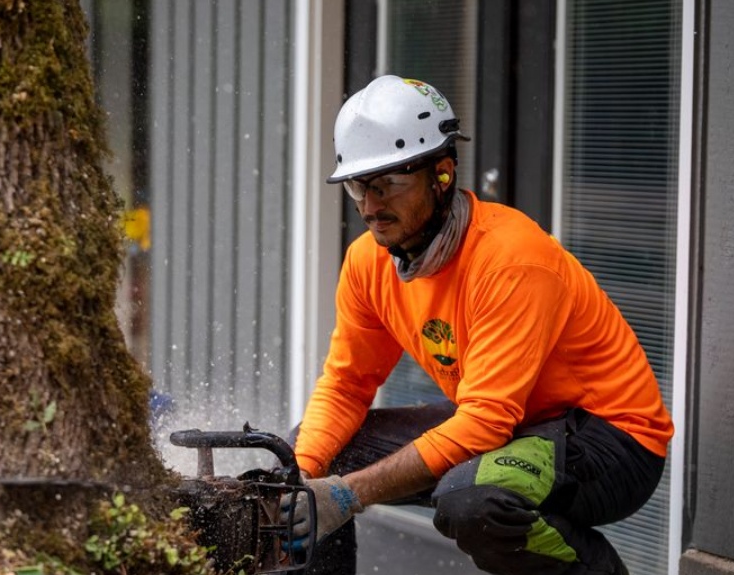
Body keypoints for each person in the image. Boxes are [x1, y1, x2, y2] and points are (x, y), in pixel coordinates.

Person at [281, 75, 674, 575]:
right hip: (512, 423)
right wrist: (304, 478)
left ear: (442, 174)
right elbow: (345, 385)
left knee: (471, 498)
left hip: (611, 437)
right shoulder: (367, 262)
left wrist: (345, 494)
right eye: (359, 186)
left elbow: (485, 422)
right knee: (316, 455)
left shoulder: (510, 259)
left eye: (387, 185)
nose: (370, 207)